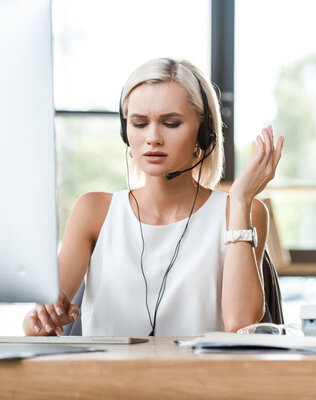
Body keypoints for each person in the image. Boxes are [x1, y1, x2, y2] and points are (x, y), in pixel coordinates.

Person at [23, 58, 284, 336]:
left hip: (199, 378)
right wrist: (39, 319)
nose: (153, 138)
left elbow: (241, 325)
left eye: (171, 123)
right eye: (139, 123)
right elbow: (42, 323)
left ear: (205, 133)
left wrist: (241, 200)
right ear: (125, 132)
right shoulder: (93, 211)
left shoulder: (242, 211)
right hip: (104, 377)